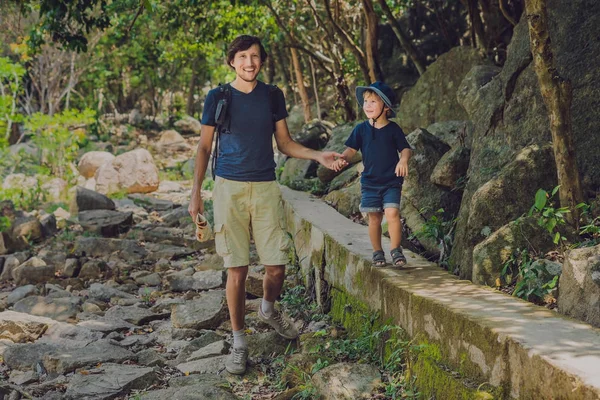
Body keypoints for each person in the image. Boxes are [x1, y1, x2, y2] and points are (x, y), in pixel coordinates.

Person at [188, 35, 342, 375]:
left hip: (266, 187)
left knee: (276, 267)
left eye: (255, 56)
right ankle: (239, 342)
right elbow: (203, 147)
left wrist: (319, 154)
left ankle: (269, 309)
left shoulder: (272, 95)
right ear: (232, 61)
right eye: (242, 56)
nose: (249, 62)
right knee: (237, 270)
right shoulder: (218, 96)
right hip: (229, 189)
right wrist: (196, 192)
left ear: (262, 61)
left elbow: (285, 144)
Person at [332, 81, 412, 268]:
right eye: (366, 101)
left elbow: (406, 149)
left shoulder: (393, 129)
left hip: (391, 181)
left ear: (386, 107)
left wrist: (403, 160)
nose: (367, 105)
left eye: (373, 102)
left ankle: (395, 250)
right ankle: (377, 252)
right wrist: (342, 159)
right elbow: (350, 150)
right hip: (370, 182)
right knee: (374, 217)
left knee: (392, 212)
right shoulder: (360, 129)